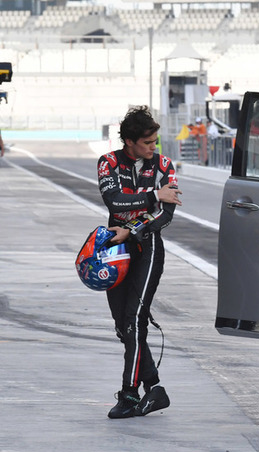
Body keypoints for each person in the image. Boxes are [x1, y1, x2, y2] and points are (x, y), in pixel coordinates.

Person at [97, 106, 183, 419]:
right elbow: (114, 201)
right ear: (130, 141)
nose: (153, 148)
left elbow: (166, 213)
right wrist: (154, 195)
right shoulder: (107, 162)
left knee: (135, 322)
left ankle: (130, 395)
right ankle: (155, 389)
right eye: (147, 143)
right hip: (115, 251)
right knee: (123, 326)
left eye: (155, 142)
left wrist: (132, 228)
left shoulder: (164, 164)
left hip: (147, 249)